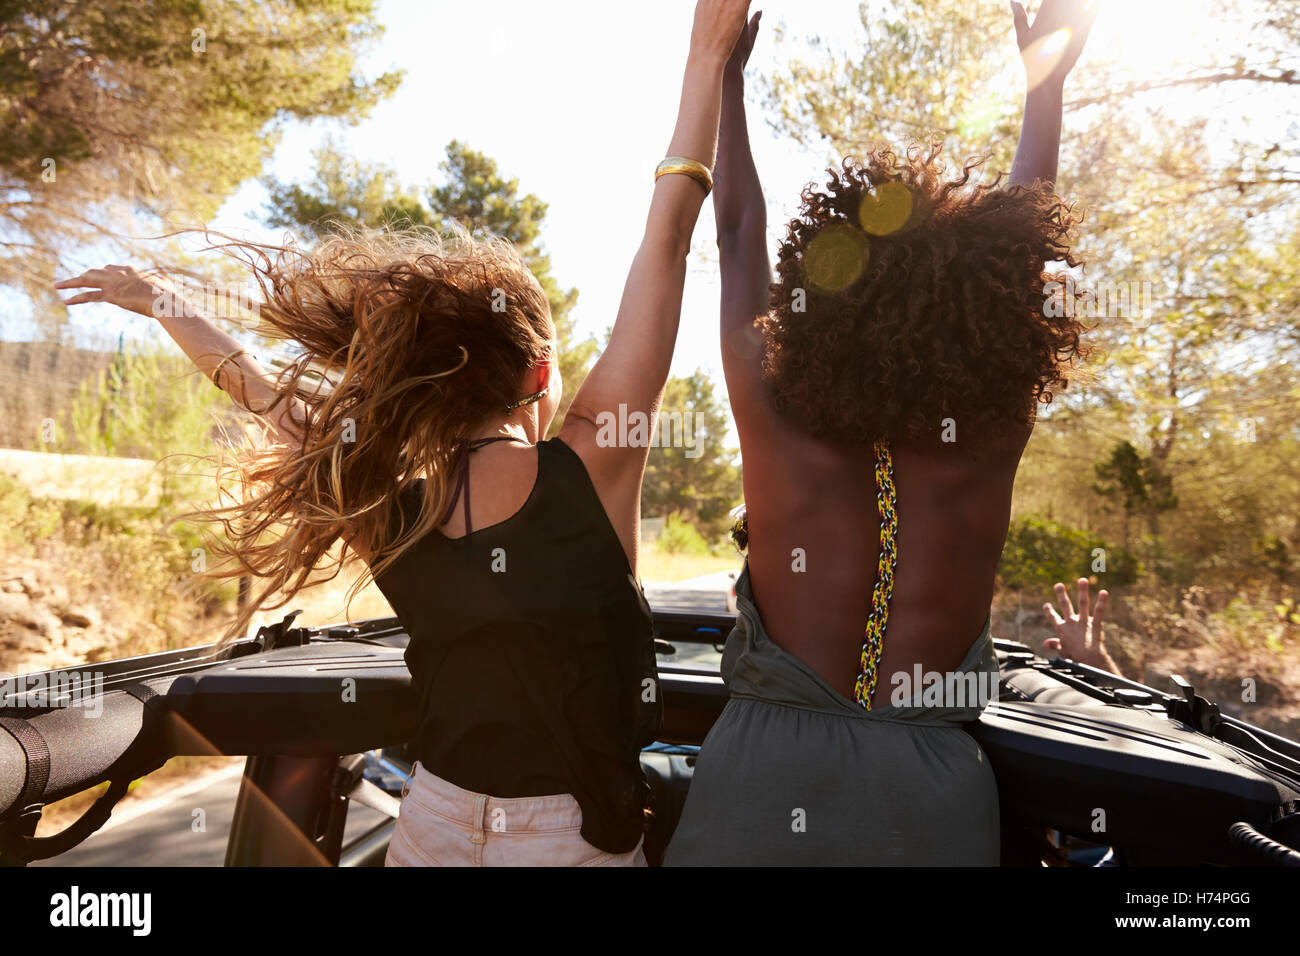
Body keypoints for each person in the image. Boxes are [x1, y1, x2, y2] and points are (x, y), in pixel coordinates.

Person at [55, 0, 755, 867]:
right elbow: (668, 235)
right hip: (564, 843)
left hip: (432, 825)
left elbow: (261, 394)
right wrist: (707, 54)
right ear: (538, 374)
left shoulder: (383, 502)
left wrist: (166, 301)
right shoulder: (591, 461)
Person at [665, 0, 1099, 865]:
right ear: (994, 319)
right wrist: (1046, 87)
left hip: (759, 782)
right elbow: (1022, 251)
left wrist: (726, 77)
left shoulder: (776, 417)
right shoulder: (987, 437)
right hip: (931, 801)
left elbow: (741, 229)